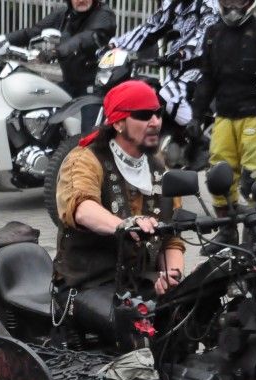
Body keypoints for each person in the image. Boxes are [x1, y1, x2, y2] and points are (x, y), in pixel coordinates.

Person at [53, 80, 186, 344]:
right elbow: (81, 207)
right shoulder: (85, 160)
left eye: (157, 113)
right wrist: (125, 223)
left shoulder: (160, 170)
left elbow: (172, 237)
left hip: (139, 284)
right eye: (143, 115)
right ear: (118, 123)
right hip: (87, 285)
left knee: (186, 318)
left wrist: (172, 276)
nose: (155, 122)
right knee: (133, 324)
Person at [190, 0, 256, 236]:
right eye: (228, 0)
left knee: (253, 182)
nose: (233, 6)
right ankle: (227, 230)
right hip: (224, 115)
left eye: (239, 0)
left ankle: (255, 236)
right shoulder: (214, 34)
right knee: (218, 177)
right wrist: (196, 116)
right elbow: (207, 78)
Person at [111, 0, 220, 163]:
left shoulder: (209, 5)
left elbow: (204, 35)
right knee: (150, 92)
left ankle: (199, 143)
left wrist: (183, 53)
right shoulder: (173, 4)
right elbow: (150, 28)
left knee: (167, 95)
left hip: (205, 68)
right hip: (179, 67)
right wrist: (117, 45)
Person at [6, 0, 116, 129]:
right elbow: (33, 31)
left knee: (89, 137)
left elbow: (86, 38)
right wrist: (1, 41)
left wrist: (57, 51)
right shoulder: (64, 14)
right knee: (40, 117)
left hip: (94, 87)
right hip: (69, 82)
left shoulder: (104, 15)